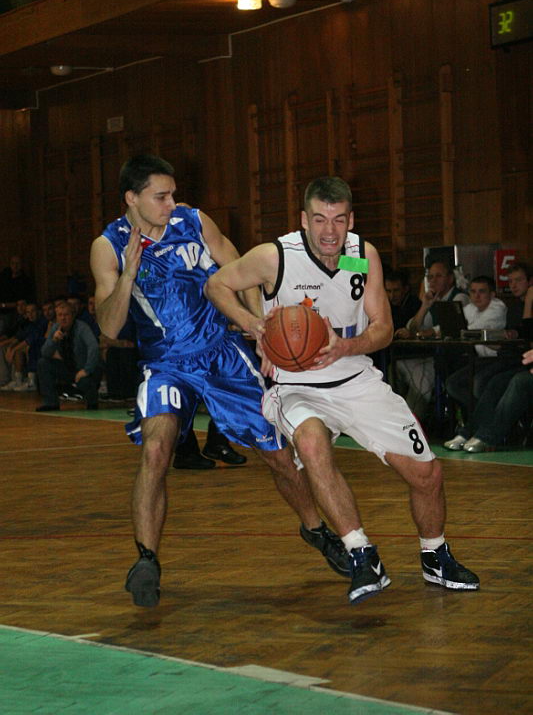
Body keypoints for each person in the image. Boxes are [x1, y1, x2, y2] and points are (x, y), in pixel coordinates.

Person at [205, 175, 479, 604]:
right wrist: (255, 326)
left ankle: (434, 556)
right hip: (295, 385)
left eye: (338, 220)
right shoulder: (274, 256)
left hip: (355, 377)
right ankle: (361, 553)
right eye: (319, 219)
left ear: (351, 220)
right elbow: (216, 284)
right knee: (312, 444)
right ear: (304, 219)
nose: (329, 231)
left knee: (427, 474)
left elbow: (383, 328)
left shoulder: (361, 256)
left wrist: (346, 347)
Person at [90, 154, 347, 608]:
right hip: (165, 363)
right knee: (156, 448)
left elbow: (241, 271)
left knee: (278, 455)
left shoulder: (193, 221)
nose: (172, 203)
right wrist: (128, 274)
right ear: (131, 198)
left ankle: (315, 529)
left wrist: (260, 328)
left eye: (173, 194)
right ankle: (146, 559)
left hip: (221, 353)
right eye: (161, 196)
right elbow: (109, 327)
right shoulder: (108, 246)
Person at [394, 260, 469, 421]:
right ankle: (402, 417)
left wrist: (423, 333)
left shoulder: (460, 297)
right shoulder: (433, 300)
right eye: (430, 277)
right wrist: (425, 306)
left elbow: (450, 326)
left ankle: (410, 422)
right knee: (397, 368)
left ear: (450, 279)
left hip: (455, 359)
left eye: (438, 276)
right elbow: (413, 328)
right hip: (434, 356)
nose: (433, 280)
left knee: (421, 378)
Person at [443, 276, 507, 423]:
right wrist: (432, 331)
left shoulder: (498, 307)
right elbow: (454, 325)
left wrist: (454, 330)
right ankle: (483, 419)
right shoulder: (470, 308)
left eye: (482, 291)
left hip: (500, 359)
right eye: (473, 292)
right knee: (452, 383)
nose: (477, 296)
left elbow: (473, 329)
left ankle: (484, 422)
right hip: (480, 360)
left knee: (477, 383)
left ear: (492, 294)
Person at [35, 301, 102, 412]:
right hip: (68, 367)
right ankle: (51, 403)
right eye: (60, 315)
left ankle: (92, 401)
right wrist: (53, 341)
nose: (63, 318)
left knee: (85, 382)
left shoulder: (82, 328)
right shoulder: (56, 328)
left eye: (66, 315)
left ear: (72, 316)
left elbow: (93, 347)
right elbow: (45, 353)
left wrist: (86, 370)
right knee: (43, 363)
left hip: (86, 368)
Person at [384, 269, 421, 335]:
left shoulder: (415, 304)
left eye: (396, 290)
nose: (392, 296)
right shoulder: (385, 305)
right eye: (389, 291)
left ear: (406, 289)